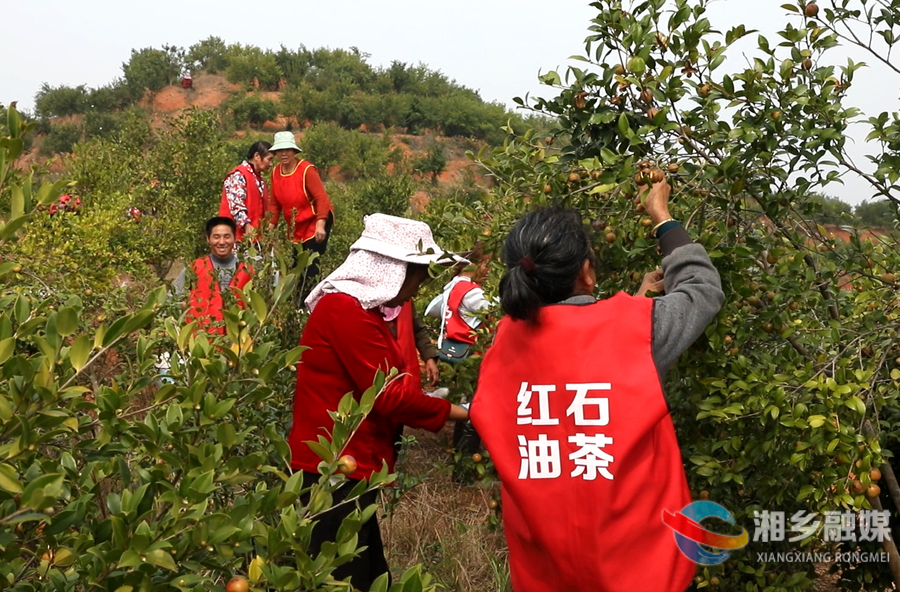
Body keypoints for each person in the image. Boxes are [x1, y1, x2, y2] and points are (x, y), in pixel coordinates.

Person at [469, 179, 724, 592]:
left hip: (545, 575)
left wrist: (639, 302)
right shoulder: (638, 330)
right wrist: (662, 216)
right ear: (586, 272)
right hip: (646, 574)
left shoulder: (501, 345)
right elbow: (702, 289)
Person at [287, 213, 469, 589]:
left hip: (346, 466)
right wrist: (461, 414)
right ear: (393, 270)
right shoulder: (344, 311)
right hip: (332, 468)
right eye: (418, 276)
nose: (418, 289)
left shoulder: (360, 312)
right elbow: (388, 395)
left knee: (367, 574)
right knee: (344, 575)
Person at [268, 131, 334, 281]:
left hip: (314, 221)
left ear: (294, 151)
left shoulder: (306, 170)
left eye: (287, 150)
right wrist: (269, 227)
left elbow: (321, 198)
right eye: (280, 150)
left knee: (310, 266)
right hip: (296, 225)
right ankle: (297, 299)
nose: (284, 154)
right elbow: (274, 204)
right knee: (296, 265)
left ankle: (307, 300)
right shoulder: (275, 172)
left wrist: (320, 224)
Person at [173, 216, 253, 334]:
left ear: (235, 238)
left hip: (237, 342)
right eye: (216, 237)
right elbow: (172, 300)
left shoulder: (247, 270)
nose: (222, 242)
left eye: (227, 237)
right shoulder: (195, 268)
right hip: (201, 341)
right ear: (208, 239)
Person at [219, 141, 273, 243]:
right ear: (257, 156)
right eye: (269, 159)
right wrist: (246, 225)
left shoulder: (260, 180)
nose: (271, 164)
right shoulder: (238, 175)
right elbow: (236, 204)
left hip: (255, 240)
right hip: (235, 239)